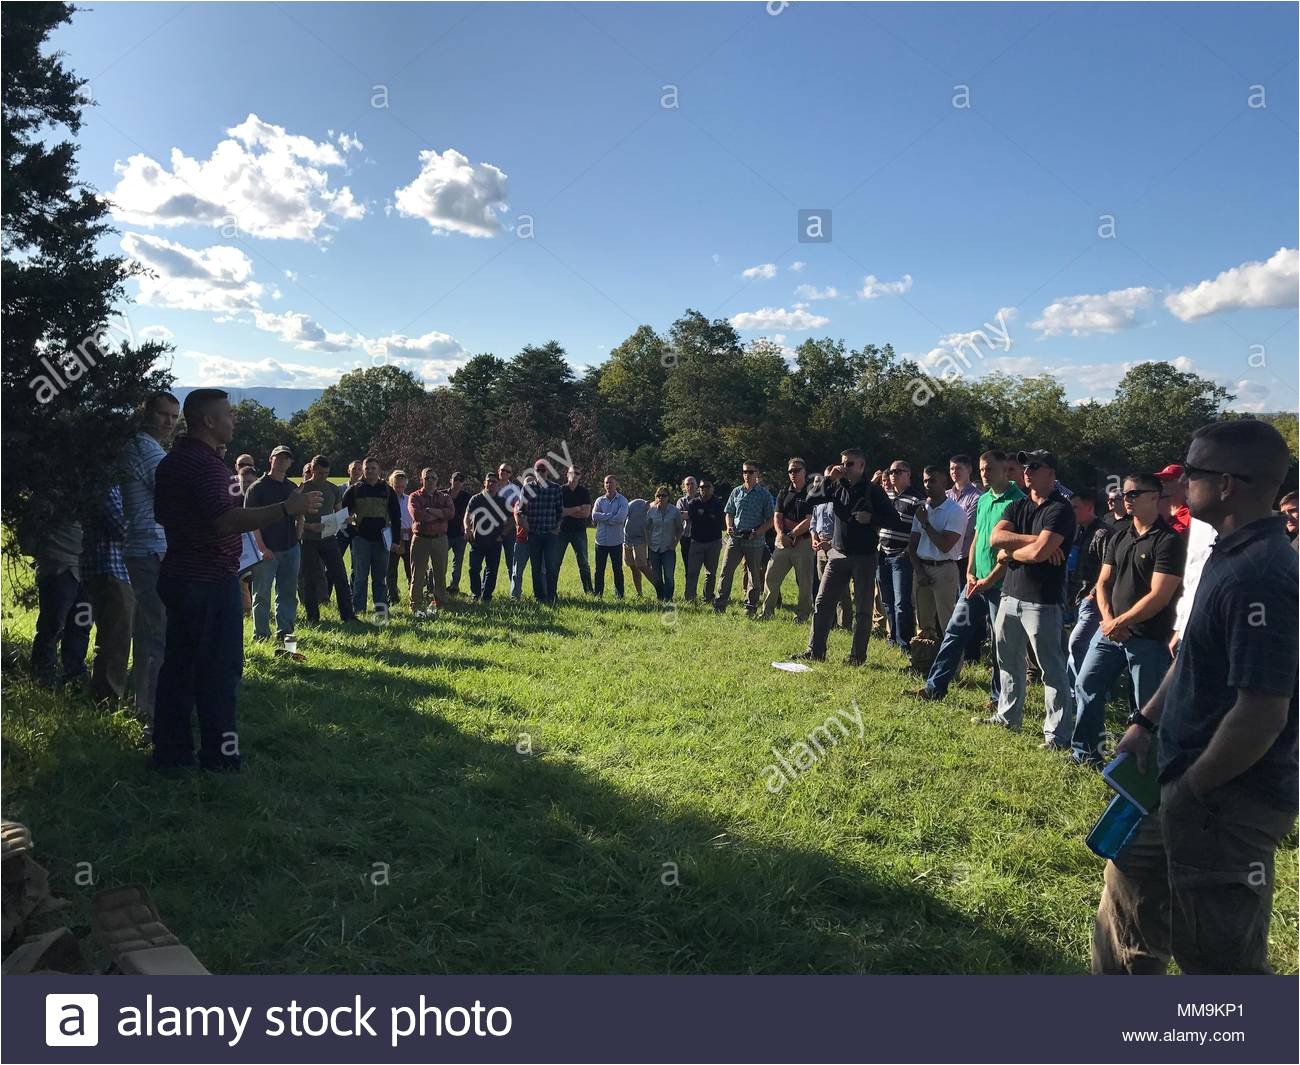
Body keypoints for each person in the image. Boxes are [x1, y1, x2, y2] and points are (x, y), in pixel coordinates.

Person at [1092, 418, 1297, 975]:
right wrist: (1145, 721)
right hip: (1182, 781)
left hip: (1228, 803)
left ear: (1227, 484)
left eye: (1191, 473)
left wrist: (1192, 790)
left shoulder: (1263, 575)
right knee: (1126, 898)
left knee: (1218, 962)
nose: (1180, 485)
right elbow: (1191, 663)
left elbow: (1262, 714)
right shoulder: (1227, 554)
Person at [151, 389, 322, 771]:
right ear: (208, 421)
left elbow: (168, 516)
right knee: (219, 671)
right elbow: (224, 521)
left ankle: (172, 754)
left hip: (179, 573)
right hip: (209, 581)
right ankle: (220, 757)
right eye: (228, 414)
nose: (235, 419)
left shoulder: (173, 461)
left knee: (179, 668)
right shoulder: (206, 466)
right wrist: (285, 509)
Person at [1070, 473, 1184, 766]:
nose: (1126, 499)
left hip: (1146, 637)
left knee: (1146, 709)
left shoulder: (1168, 541)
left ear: (1153, 498)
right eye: (1125, 494)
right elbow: (1103, 582)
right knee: (1086, 685)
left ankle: (1140, 769)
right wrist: (1109, 620)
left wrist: (1120, 622)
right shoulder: (1119, 534)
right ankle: (1086, 754)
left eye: (1134, 494)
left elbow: (1159, 595)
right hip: (1109, 632)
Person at [981, 448, 1077, 749]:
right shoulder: (1019, 506)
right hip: (1010, 593)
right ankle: (1008, 716)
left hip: (1043, 601)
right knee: (1008, 661)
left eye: (1034, 466)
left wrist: (1011, 553)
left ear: (1051, 473)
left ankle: (1056, 735)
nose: (1027, 471)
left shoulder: (1060, 510)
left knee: (1051, 668)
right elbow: (994, 538)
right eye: (1025, 466)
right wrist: (1038, 542)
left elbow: (1039, 554)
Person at [911, 450, 1023, 704]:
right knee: (953, 632)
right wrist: (970, 571)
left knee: (999, 642)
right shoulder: (983, 500)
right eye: (983, 469)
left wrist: (991, 578)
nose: (985, 473)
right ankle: (934, 687)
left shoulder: (1018, 501)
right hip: (974, 583)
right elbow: (974, 539)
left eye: (990, 469)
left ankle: (999, 697)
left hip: (1001, 585)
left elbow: (1011, 550)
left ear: (1005, 470)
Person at [793, 447, 896, 664]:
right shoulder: (836, 487)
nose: (844, 467)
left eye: (849, 464)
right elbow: (809, 500)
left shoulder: (872, 491)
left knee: (863, 609)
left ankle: (857, 657)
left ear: (861, 466)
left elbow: (893, 519)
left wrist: (871, 518)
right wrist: (828, 479)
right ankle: (815, 650)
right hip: (837, 554)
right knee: (822, 603)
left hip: (864, 557)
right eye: (842, 462)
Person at [120, 390, 179, 723]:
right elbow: (174, 495)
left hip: (149, 546)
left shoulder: (152, 449)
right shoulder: (145, 449)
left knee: (151, 630)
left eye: (174, 416)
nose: (169, 422)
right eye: (162, 415)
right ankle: (152, 714)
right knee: (157, 632)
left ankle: (147, 708)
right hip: (149, 547)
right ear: (146, 414)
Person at [245, 445, 303, 644]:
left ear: (290, 463)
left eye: (286, 458)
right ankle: (261, 635)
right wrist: (262, 548)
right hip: (267, 550)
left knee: (287, 593)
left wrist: (298, 537)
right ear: (271, 459)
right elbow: (251, 522)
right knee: (261, 595)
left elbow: (300, 514)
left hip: (290, 548)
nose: (282, 461)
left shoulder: (291, 488)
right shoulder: (257, 488)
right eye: (278, 457)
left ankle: (285, 634)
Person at [81, 485, 134, 704]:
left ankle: (104, 693)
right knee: (116, 638)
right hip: (110, 568)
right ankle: (106, 698)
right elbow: (121, 528)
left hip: (105, 568)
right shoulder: (107, 488)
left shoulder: (103, 484)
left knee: (112, 636)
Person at [908, 465, 967, 641]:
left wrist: (926, 524)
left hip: (944, 569)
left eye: (932, 480)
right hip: (922, 567)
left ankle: (953, 665)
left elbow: (945, 545)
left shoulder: (955, 511)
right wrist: (919, 571)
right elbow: (912, 545)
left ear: (943, 482)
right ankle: (924, 662)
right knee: (923, 622)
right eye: (925, 481)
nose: (928, 484)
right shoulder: (922, 510)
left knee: (947, 620)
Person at [31, 518, 90, 689]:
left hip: (86, 571)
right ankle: (43, 677)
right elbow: (29, 530)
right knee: (52, 626)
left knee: (81, 625)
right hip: (59, 568)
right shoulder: (52, 495)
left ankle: (74, 676)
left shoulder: (92, 495)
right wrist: (47, 556)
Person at [1064, 492, 1113, 696]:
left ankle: (1077, 692)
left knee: (1077, 642)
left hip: (1093, 600)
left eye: (1075, 508)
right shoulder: (1079, 531)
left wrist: (1093, 594)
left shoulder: (1103, 533)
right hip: (1077, 596)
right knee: (1085, 645)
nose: (1071, 512)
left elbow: (1108, 567)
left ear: (1089, 507)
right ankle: (1088, 689)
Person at [299, 456, 357, 625]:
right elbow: (295, 519)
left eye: (326, 473)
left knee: (340, 576)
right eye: (320, 473)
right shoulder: (302, 489)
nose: (323, 476)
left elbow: (338, 511)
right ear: (312, 469)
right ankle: (312, 617)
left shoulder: (333, 489)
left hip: (329, 538)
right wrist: (310, 526)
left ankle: (348, 615)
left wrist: (345, 519)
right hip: (308, 539)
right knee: (310, 579)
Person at [714, 461, 775, 617]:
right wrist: (729, 526)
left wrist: (758, 532)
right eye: (744, 472)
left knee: (754, 574)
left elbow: (770, 519)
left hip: (755, 540)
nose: (747, 475)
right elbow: (729, 512)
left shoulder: (764, 495)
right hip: (735, 538)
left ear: (757, 474)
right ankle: (720, 604)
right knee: (726, 571)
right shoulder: (736, 492)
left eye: (750, 472)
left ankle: (750, 606)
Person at [342, 457, 402, 617]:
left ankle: (381, 609)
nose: (370, 471)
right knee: (360, 577)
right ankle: (358, 609)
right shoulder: (355, 490)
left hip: (382, 539)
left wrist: (396, 541)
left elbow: (396, 517)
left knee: (380, 577)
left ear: (379, 470)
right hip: (361, 539)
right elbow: (342, 513)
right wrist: (351, 530)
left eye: (373, 468)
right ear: (363, 470)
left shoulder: (387, 490)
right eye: (367, 468)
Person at [761, 458, 816, 622]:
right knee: (771, 576)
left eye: (796, 470)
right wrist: (780, 535)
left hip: (804, 542)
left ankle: (802, 615)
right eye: (790, 471)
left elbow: (810, 519)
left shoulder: (812, 492)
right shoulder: (784, 491)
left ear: (804, 472)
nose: (793, 474)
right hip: (783, 542)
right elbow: (777, 515)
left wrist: (792, 535)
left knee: (805, 582)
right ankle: (766, 612)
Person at [877, 460, 921, 651]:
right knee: (887, 600)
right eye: (891, 472)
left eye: (898, 472)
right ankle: (893, 638)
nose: (893, 475)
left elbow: (918, 530)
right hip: (882, 553)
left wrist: (907, 551)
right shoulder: (885, 495)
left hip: (902, 556)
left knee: (902, 602)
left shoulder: (917, 499)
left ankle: (905, 643)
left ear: (908, 474)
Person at [407, 467, 455, 618]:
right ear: (421, 480)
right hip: (421, 539)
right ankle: (415, 603)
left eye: (433, 478)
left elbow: (451, 513)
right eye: (427, 478)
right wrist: (439, 513)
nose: (430, 481)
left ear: (437, 480)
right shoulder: (414, 496)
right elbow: (418, 515)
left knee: (440, 572)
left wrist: (430, 511)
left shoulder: (444, 496)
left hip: (440, 539)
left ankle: (440, 601)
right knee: (418, 573)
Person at [519, 460, 566, 603]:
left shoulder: (556, 488)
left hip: (550, 534)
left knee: (551, 567)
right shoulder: (527, 488)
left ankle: (551, 596)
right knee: (536, 567)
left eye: (543, 470)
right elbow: (521, 510)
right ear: (534, 471)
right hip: (534, 533)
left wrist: (557, 527)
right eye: (538, 470)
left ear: (548, 471)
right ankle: (539, 597)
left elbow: (560, 511)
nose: (540, 472)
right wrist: (526, 526)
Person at [809, 483, 852, 631]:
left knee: (841, 589)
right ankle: (830, 622)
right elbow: (813, 523)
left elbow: (846, 526)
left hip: (837, 547)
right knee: (824, 587)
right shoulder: (819, 501)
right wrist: (814, 538)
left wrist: (831, 543)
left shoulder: (841, 500)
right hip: (820, 548)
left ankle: (844, 624)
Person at [464, 473, 504, 602]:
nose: (491, 484)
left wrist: (502, 535)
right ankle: (475, 594)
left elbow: (510, 520)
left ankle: (486, 596)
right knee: (474, 569)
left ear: (497, 484)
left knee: (492, 571)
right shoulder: (476, 499)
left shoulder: (502, 501)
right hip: (477, 542)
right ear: (484, 483)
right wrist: (467, 528)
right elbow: (467, 516)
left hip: (495, 542)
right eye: (489, 481)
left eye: (494, 481)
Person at [685, 479, 725, 604]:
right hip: (696, 542)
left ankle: (708, 597)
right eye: (702, 487)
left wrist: (703, 515)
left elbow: (720, 523)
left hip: (714, 542)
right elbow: (694, 519)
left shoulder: (718, 504)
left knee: (711, 573)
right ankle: (690, 598)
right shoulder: (693, 503)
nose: (704, 489)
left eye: (707, 487)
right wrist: (709, 516)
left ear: (712, 488)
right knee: (692, 572)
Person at [558, 466, 594, 594]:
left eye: (577, 473)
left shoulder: (584, 492)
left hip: (579, 531)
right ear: (567, 474)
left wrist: (568, 511)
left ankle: (589, 591)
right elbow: (559, 512)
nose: (574, 475)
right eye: (572, 472)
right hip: (561, 531)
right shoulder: (560, 490)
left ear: (580, 476)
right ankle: (552, 592)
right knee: (556, 562)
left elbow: (586, 514)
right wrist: (578, 508)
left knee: (584, 563)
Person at [645, 485, 684, 601]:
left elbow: (680, 529)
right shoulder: (651, 511)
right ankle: (660, 597)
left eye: (663, 495)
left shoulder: (674, 511)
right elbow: (646, 528)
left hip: (668, 548)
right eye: (658, 495)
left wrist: (675, 543)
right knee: (656, 576)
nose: (661, 498)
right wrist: (649, 543)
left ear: (668, 497)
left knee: (669, 576)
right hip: (654, 548)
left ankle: (669, 598)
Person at [592, 474, 628, 598]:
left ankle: (619, 595)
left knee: (617, 570)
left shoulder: (623, 500)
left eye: (611, 483)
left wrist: (604, 517)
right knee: (599, 570)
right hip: (601, 541)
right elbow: (594, 516)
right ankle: (598, 594)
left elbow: (620, 518)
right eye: (606, 483)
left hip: (616, 541)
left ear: (616, 484)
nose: (608, 485)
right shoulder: (599, 500)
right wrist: (611, 516)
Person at [495, 463, 524, 599]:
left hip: (510, 529)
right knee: (491, 562)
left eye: (508, 471)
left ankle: (514, 592)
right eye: (502, 470)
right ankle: (486, 591)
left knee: (511, 562)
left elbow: (518, 509)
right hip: (492, 529)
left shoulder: (515, 489)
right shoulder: (492, 486)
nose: (504, 472)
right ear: (498, 471)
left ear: (510, 474)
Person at [385, 470, 413, 605]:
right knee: (391, 570)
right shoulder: (387, 501)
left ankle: (413, 595)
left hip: (409, 537)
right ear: (391, 484)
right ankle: (393, 597)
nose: (400, 490)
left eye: (402, 487)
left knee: (411, 569)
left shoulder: (409, 499)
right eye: (397, 487)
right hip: (393, 538)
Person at [623, 494, 653, 596]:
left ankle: (660, 589)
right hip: (627, 540)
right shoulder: (637, 503)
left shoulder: (654, 514)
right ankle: (639, 593)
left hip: (640, 541)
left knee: (642, 566)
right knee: (633, 567)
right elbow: (623, 515)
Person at [447, 472, 471, 595]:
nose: (458, 482)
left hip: (460, 535)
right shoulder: (442, 494)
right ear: (450, 480)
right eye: (455, 479)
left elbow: (472, 513)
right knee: (438, 561)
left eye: (461, 480)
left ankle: (453, 587)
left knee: (457, 563)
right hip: (444, 534)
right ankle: (432, 587)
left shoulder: (467, 497)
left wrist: (467, 526)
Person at [1155, 464, 1191, 537]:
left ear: (1183, 484)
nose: (1163, 484)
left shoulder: (1191, 515)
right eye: (1161, 481)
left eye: (1167, 480)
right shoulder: (1158, 512)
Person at [677, 476, 700, 570]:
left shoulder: (702, 500)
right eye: (687, 484)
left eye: (692, 484)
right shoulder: (681, 501)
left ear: (696, 486)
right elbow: (679, 516)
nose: (690, 486)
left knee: (698, 567)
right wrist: (698, 514)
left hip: (700, 538)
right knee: (688, 567)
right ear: (684, 487)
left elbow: (705, 517)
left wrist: (688, 514)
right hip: (686, 538)